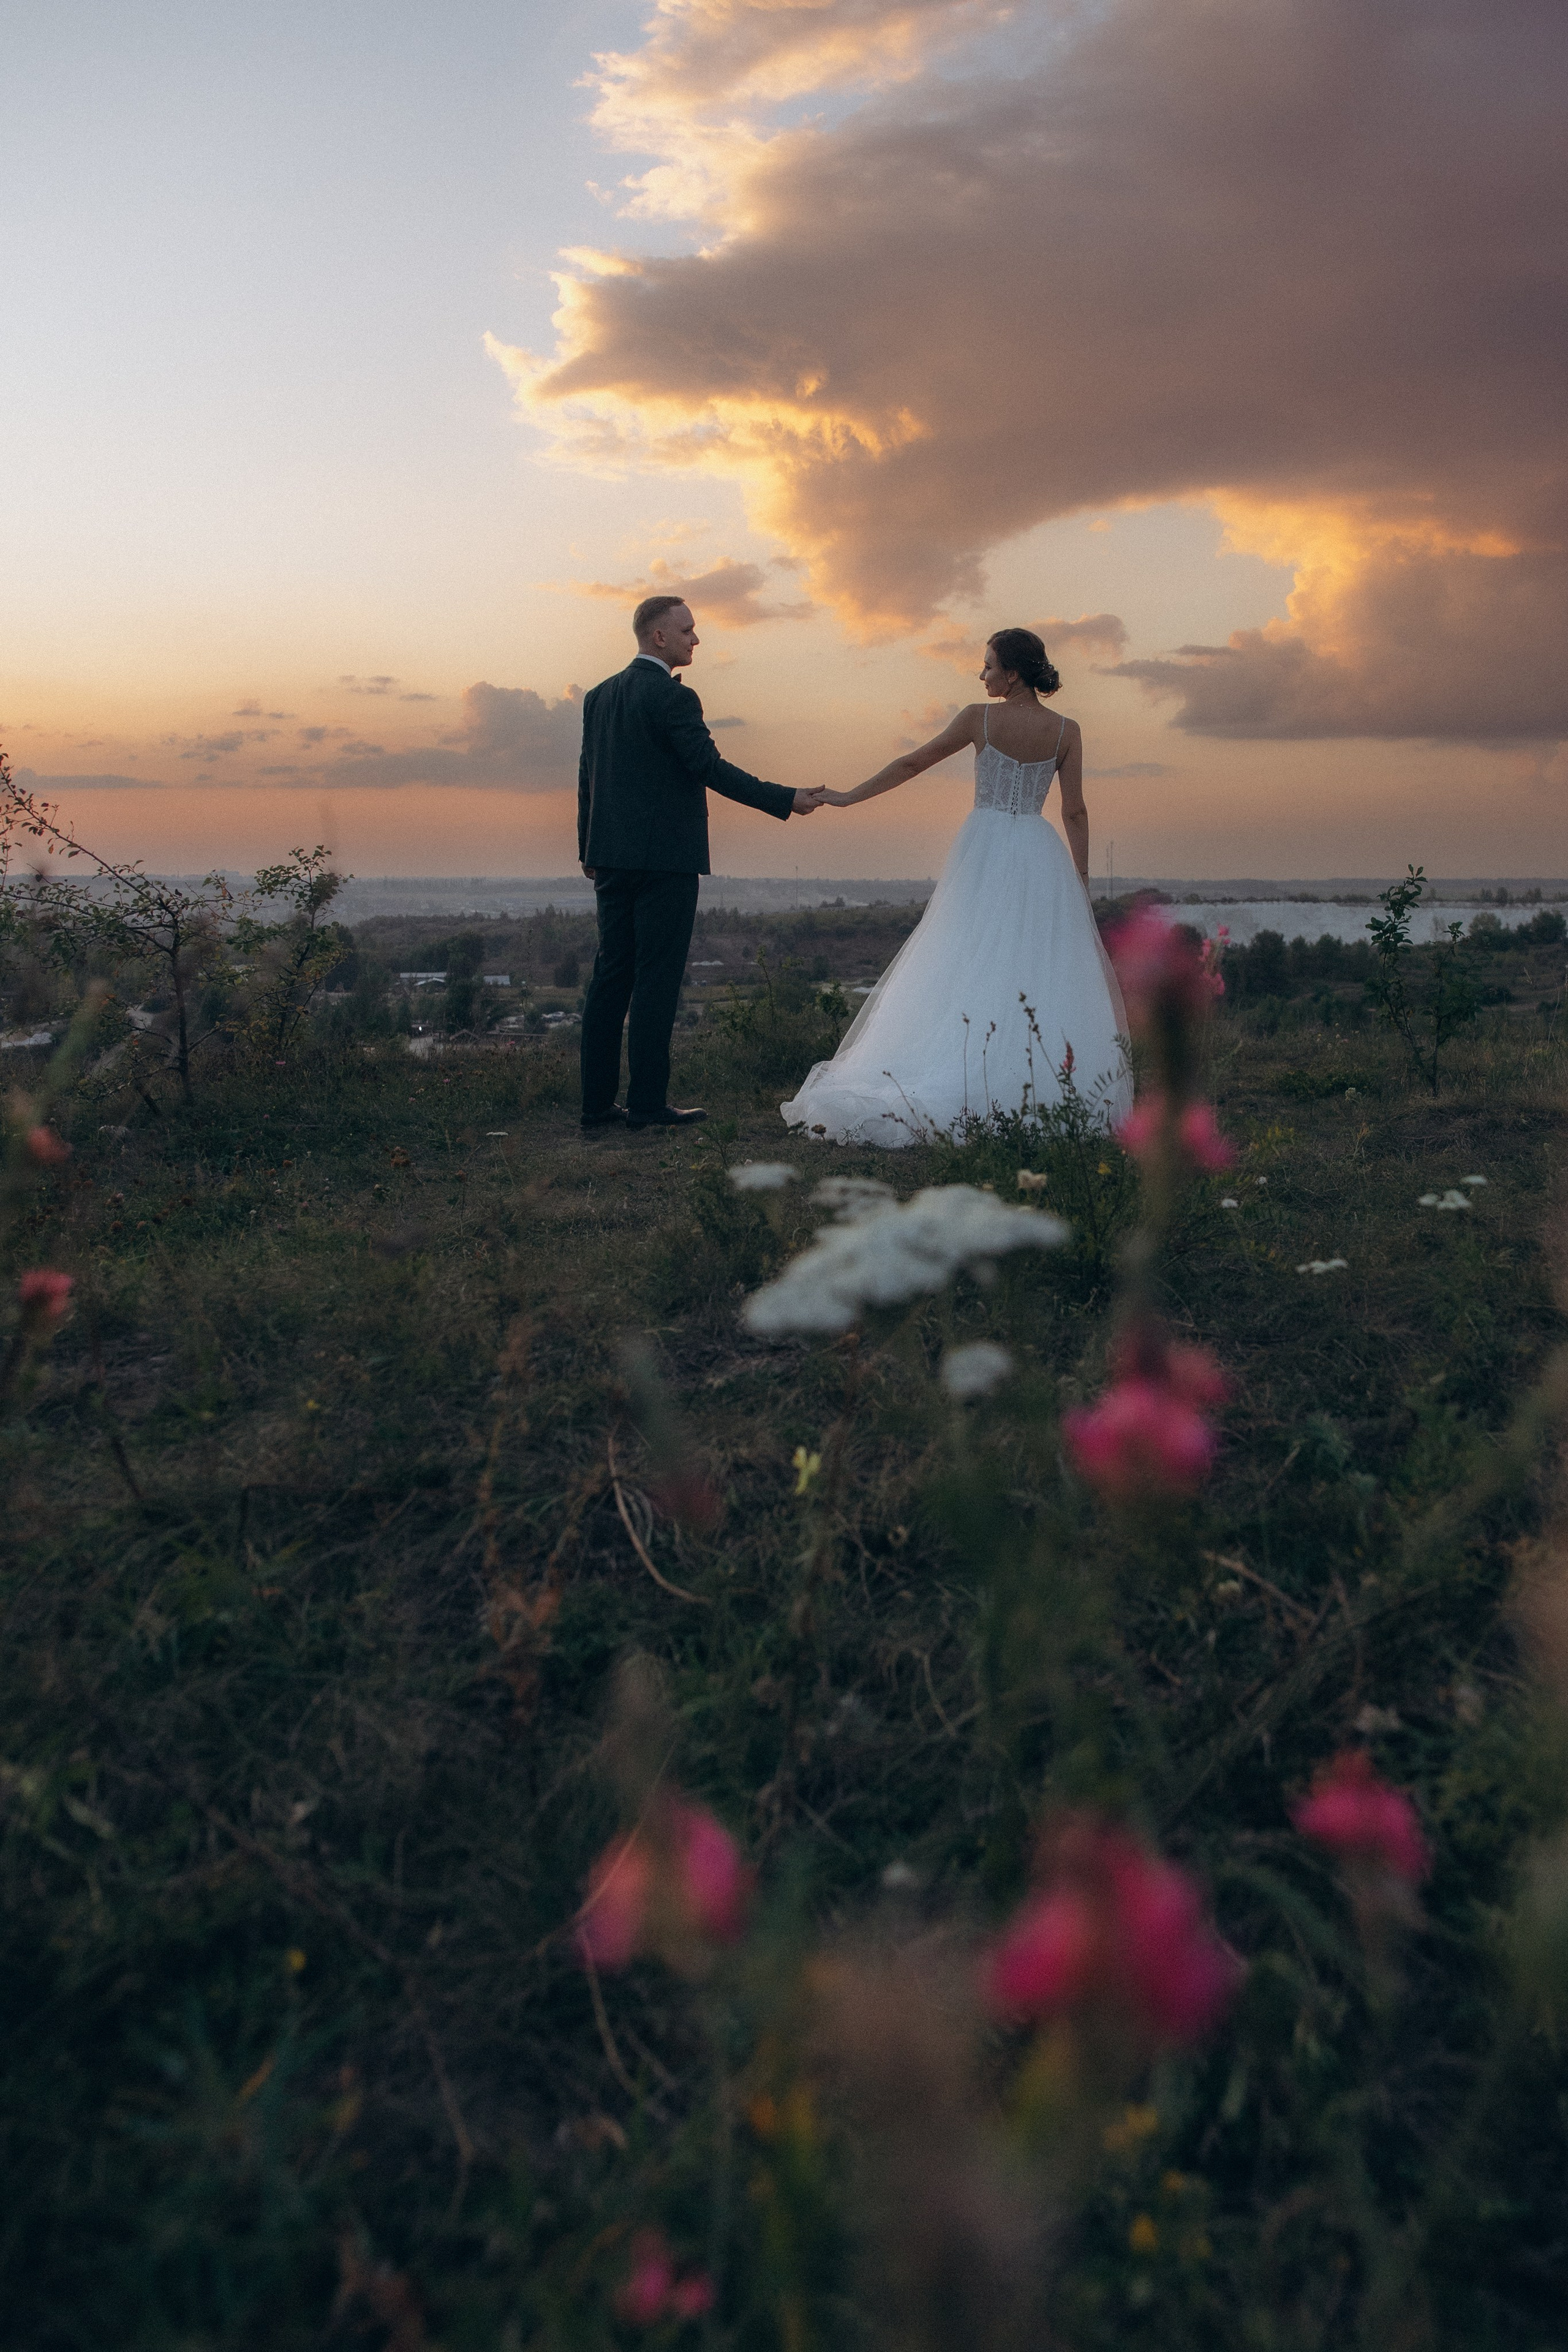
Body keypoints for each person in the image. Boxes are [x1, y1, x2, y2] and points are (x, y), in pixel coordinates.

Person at [781, 628, 1131, 1145]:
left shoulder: (979, 718)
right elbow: (1074, 811)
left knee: (963, 953)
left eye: (988, 664)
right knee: (1031, 963)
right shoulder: (1066, 731)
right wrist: (1080, 879)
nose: (981, 673)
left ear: (1012, 673)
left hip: (986, 845)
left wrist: (850, 797)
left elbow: (912, 762)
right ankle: (1031, 1082)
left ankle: (961, 1066)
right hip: (1040, 852)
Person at [577, 595, 824, 1131]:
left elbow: (587, 778)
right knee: (655, 982)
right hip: (666, 861)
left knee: (610, 979)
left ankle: (595, 1107)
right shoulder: (672, 699)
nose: (697, 639)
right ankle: (645, 1106)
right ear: (659, 637)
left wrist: (587, 849)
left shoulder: (598, 697)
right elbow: (709, 767)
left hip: (611, 859)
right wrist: (786, 798)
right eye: (688, 631)